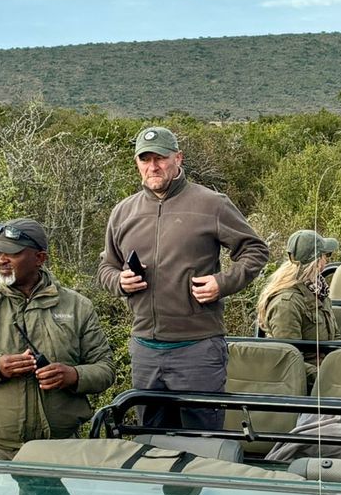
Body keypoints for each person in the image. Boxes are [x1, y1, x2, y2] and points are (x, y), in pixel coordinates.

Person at [98, 125, 269, 431]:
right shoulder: (123, 212)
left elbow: (255, 250)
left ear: (178, 158)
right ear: (136, 162)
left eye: (160, 158)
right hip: (145, 350)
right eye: (145, 159)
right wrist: (119, 282)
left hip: (198, 349)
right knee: (150, 444)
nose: (153, 166)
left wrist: (223, 282)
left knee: (202, 445)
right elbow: (106, 267)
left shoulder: (211, 203)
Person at [0, 217, 114, 460]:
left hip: (60, 450)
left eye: (12, 253)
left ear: (39, 258)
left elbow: (105, 369)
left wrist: (73, 376)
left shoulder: (77, 307)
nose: (1, 260)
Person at [256, 228, 339, 362]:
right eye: (326, 255)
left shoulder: (319, 291)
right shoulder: (286, 304)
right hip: (305, 379)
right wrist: (325, 377)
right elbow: (289, 361)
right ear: (317, 262)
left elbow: (336, 339)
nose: (327, 261)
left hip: (326, 371)